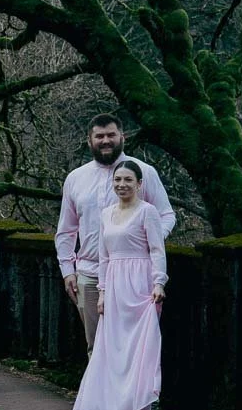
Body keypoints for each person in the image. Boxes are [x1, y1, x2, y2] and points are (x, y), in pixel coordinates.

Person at [56, 113, 175, 351]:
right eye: (99, 136)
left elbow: (166, 215)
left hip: (134, 275)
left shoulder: (144, 172)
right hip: (89, 274)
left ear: (123, 136)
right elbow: (66, 231)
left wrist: (149, 241)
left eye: (111, 134)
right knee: (96, 345)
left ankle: (133, 389)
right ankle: (100, 389)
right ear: (89, 140)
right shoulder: (76, 178)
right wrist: (67, 270)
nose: (105, 140)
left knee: (133, 344)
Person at [69, 161, 169, 410]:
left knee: (139, 349)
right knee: (112, 349)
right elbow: (104, 256)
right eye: (118, 180)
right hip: (113, 285)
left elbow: (157, 250)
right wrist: (101, 292)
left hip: (140, 285)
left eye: (127, 180)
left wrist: (159, 282)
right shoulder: (106, 214)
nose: (122, 185)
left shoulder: (147, 212)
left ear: (139, 183)